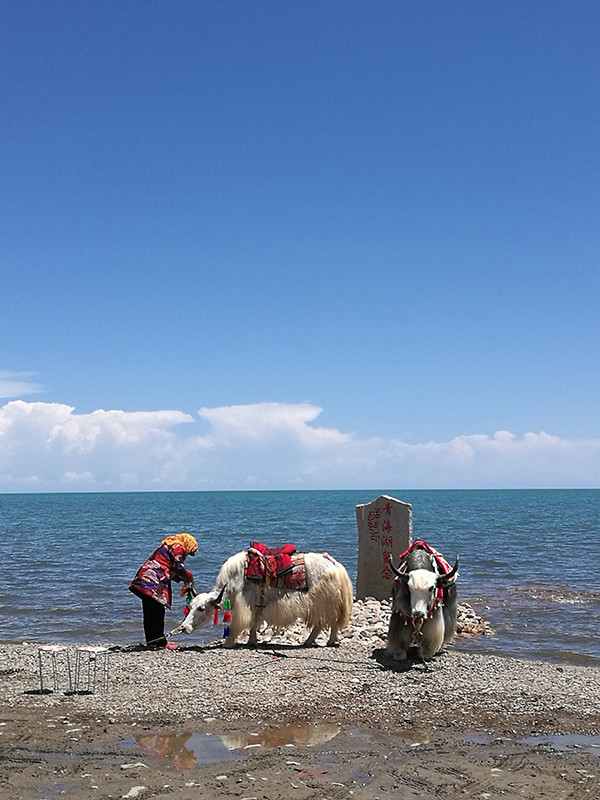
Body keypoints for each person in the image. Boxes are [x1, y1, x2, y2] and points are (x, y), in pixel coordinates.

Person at [129, 532, 198, 650]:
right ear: (188, 545)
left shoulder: (169, 545)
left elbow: (169, 566)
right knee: (158, 613)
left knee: (149, 613)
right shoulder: (179, 547)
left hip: (144, 579)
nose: (188, 554)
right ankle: (161, 642)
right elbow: (178, 567)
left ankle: (151, 642)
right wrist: (189, 577)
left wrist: (181, 579)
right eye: (191, 551)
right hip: (153, 582)